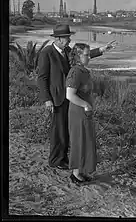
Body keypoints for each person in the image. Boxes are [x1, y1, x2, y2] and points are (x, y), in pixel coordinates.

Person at [37, 24, 116, 170]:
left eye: (69, 37)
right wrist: (46, 99)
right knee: (58, 130)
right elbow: (42, 78)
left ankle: (64, 157)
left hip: (70, 96)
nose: (69, 40)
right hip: (56, 98)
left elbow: (82, 55)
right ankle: (56, 160)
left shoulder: (67, 51)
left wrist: (101, 50)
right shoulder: (47, 53)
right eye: (67, 38)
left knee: (67, 129)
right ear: (59, 39)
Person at [66, 43, 97, 184]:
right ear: (78, 56)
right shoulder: (75, 72)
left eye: (89, 54)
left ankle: (82, 171)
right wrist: (85, 105)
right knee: (79, 141)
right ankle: (76, 173)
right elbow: (69, 95)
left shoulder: (83, 71)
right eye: (86, 54)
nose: (89, 57)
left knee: (86, 141)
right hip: (78, 112)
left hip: (85, 112)